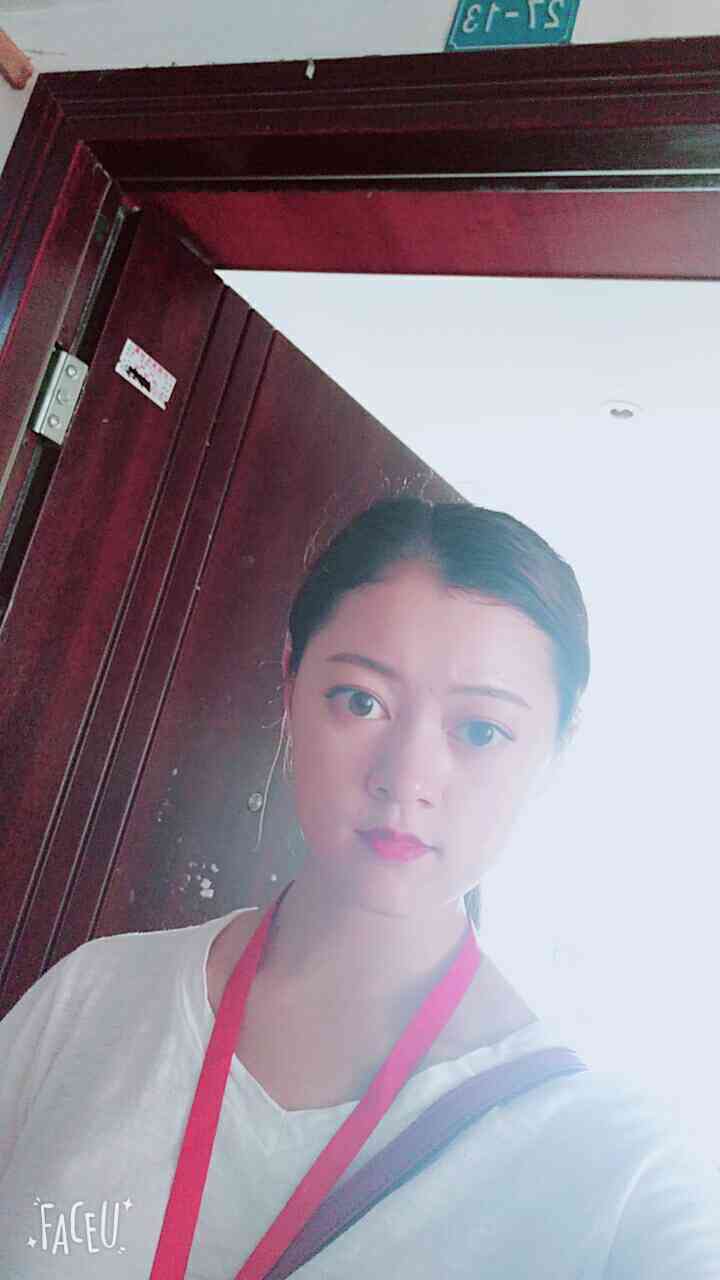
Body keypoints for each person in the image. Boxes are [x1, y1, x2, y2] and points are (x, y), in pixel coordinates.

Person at [1, 494, 719, 1278]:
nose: (406, 778)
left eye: (480, 731)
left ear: (557, 748)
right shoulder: (95, 998)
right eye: (362, 701)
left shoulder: (615, 1166)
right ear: (290, 682)